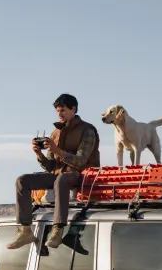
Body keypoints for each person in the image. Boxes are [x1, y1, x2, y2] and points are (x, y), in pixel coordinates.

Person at [6, 93, 100, 250]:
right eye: (58, 111)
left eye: (63, 110)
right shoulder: (55, 133)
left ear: (73, 109)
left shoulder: (87, 130)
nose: (60, 114)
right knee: (22, 181)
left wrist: (58, 150)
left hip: (81, 175)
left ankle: (58, 229)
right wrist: (39, 154)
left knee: (61, 179)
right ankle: (25, 231)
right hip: (58, 175)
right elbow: (50, 166)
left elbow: (81, 161)